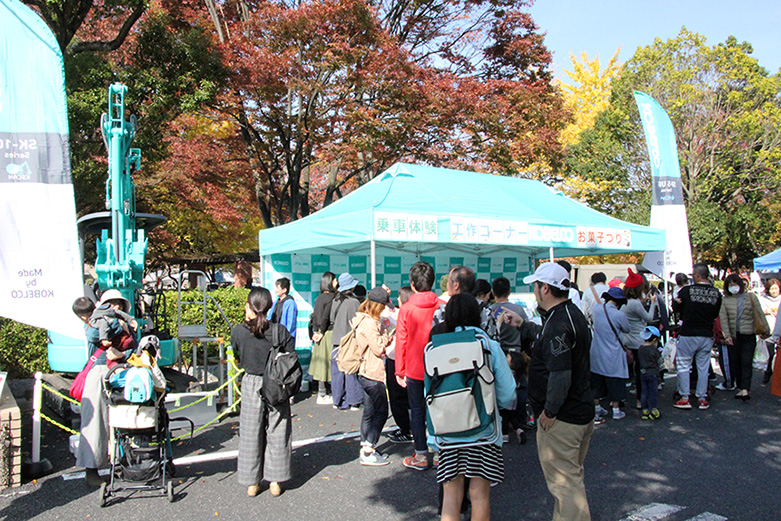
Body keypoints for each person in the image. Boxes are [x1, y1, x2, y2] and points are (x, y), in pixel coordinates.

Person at [503, 262, 594, 521]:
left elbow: (560, 372)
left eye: (535, 286)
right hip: (580, 410)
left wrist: (550, 411)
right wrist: (523, 325)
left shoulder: (557, 323)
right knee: (570, 480)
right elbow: (548, 341)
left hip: (563, 418)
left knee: (566, 486)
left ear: (545, 288)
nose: (534, 292)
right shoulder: (571, 313)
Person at [436, 293, 515, 521]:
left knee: (451, 495)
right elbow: (508, 392)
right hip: (484, 430)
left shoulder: (434, 347)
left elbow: (428, 392)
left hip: (448, 430)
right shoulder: (489, 346)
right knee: (479, 494)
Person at [233, 287, 294, 497]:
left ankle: (252, 483)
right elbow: (290, 358)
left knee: (251, 432)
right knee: (278, 429)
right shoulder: (280, 331)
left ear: (250, 306)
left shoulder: (238, 331)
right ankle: (275, 481)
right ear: (269, 307)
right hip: (276, 383)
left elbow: (237, 356)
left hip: (251, 382)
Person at [395, 261, 441, 470]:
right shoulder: (442, 305)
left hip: (414, 367)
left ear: (412, 284)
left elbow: (401, 340)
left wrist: (399, 370)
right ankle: (441, 453)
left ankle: (421, 455)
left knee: (417, 410)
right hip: (440, 366)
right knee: (440, 408)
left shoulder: (406, 309)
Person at [671, 263, 722, 409]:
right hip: (706, 333)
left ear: (697, 276)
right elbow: (715, 314)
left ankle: (685, 397)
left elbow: (677, 309)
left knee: (683, 366)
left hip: (688, 333)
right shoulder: (716, 293)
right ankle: (702, 398)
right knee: (703, 367)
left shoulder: (686, 291)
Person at [72, 296, 109, 487]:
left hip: (120, 371)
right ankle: (91, 469)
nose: (115, 307)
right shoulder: (94, 326)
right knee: (94, 423)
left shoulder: (108, 318)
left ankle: (123, 464)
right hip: (99, 372)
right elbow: (97, 336)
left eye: (118, 304)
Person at [354, 286, 394, 465]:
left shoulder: (361, 317)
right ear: (378, 306)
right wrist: (387, 337)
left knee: (369, 411)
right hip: (372, 372)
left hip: (364, 371)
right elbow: (379, 349)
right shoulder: (370, 323)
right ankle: (369, 449)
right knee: (381, 412)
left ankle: (365, 444)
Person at [719, 274, 767, 401]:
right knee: (735, 362)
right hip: (734, 336)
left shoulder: (750, 297)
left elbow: (759, 313)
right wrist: (727, 335)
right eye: (730, 285)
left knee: (746, 361)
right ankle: (740, 387)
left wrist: (765, 330)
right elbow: (723, 319)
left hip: (749, 334)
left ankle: (745, 388)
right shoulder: (725, 300)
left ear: (740, 284)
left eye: (735, 284)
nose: (733, 287)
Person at [590, 286, 630, 423]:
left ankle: (597, 409)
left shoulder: (597, 310)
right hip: (613, 352)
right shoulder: (619, 315)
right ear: (619, 302)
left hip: (596, 351)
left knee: (596, 383)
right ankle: (616, 411)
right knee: (614, 381)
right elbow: (627, 329)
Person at [622, 268, 656, 409]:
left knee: (626, 371)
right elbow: (649, 318)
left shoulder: (624, 302)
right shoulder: (635, 303)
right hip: (638, 340)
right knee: (640, 371)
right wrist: (653, 303)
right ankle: (640, 400)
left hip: (625, 340)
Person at [330, 273, 363, 410]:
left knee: (337, 371)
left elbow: (332, 319)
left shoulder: (335, 300)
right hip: (350, 340)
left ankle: (337, 400)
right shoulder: (354, 302)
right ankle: (353, 401)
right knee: (351, 369)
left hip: (336, 339)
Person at [386, 286, 413, 444]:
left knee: (398, 397)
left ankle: (406, 429)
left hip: (398, 359)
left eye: (399, 297)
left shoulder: (402, 314)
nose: (397, 300)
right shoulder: (410, 313)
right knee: (410, 398)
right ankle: (408, 428)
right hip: (409, 361)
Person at [309, 272, 337, 405]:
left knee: (321, 364)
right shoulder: (332, 297)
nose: (336, 283)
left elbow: (315, 316)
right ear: (330, 282)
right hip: (327, 333)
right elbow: (326, 316)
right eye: (335, 280)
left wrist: (316, 331)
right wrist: (322, 332)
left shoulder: (319, 298)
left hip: (319, 333)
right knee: (327, 364)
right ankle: (323, 394)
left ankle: (322, 392)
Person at [490, 276, 529, 353]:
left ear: (493, 293)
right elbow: (527, 330)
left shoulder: (488, 311)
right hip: (516, 353)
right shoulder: (518, 309)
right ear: (509, 292)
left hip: (496, 352)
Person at [638, 326, 662, 420]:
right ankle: (654, 410)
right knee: (653, 392)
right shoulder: (653, 350)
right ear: (655, 339)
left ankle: (645, 410)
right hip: (653, 373)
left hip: (643, 373)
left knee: (644, 392)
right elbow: (659, 361)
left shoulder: (640, 348)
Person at [760, 278, 781, 384]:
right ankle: (768, 370)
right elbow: (758, 312)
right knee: (770, 353)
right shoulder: (763, 299)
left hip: (779, 331)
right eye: (772, 289)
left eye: (776, 289)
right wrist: (765, 311)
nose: (774, 291)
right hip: (768, 330)